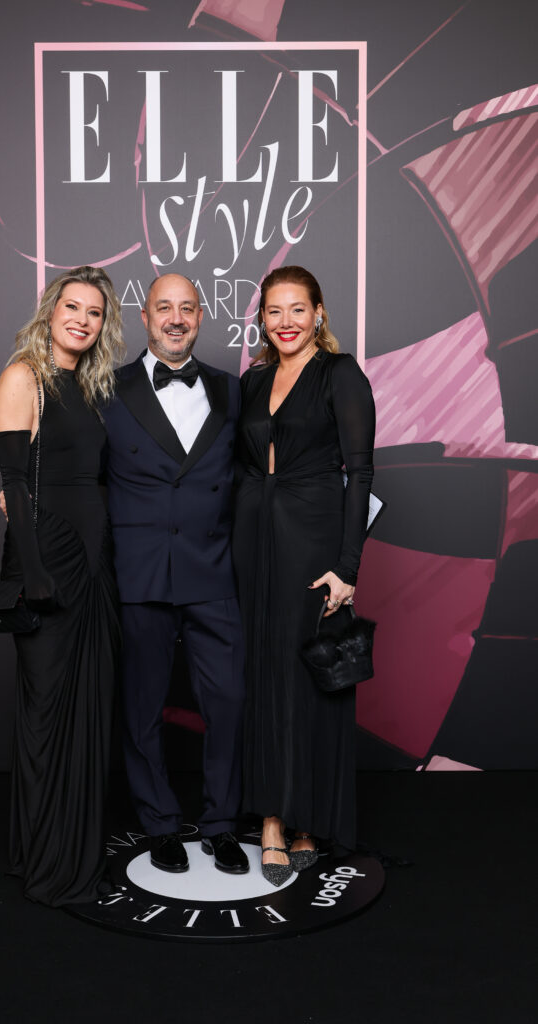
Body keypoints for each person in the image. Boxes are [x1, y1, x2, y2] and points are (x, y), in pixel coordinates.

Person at [101, 273, 249, 875]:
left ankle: (221, 823)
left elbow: (261, 472)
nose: (176, 318)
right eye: (165, 307)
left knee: (229, 702)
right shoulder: (106, 389)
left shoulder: (232, 389)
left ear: (201, 316)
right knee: (142, 707)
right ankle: (160, 822)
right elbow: (79, 470)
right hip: (141, 574)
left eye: (187, 308)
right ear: (144, 316)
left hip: (214, 570)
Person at [232, 265, 375, 885]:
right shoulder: (253, 379)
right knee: (261, 674)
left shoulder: (340, 374)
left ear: (319, 313)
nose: (285, 322)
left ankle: (308, 820)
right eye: (274, 311)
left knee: (307, 678)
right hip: (252, 543)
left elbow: (360, 473)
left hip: (313, 544)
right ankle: (270, 819)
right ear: (262, 318)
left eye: (297, 309)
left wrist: (348, 567)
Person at [0, 265, 125, 906]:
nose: (82, 320)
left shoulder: (90, 387)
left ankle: (71, 851)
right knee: (47, 713)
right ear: (51, 310)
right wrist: (35, 572)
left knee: (89, 712)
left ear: (103, 325)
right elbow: (14, 483)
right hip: (46, 562)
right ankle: (48, 863)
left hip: (96, 564)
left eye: (94, 312)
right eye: (72, 307)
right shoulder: (24, 376)